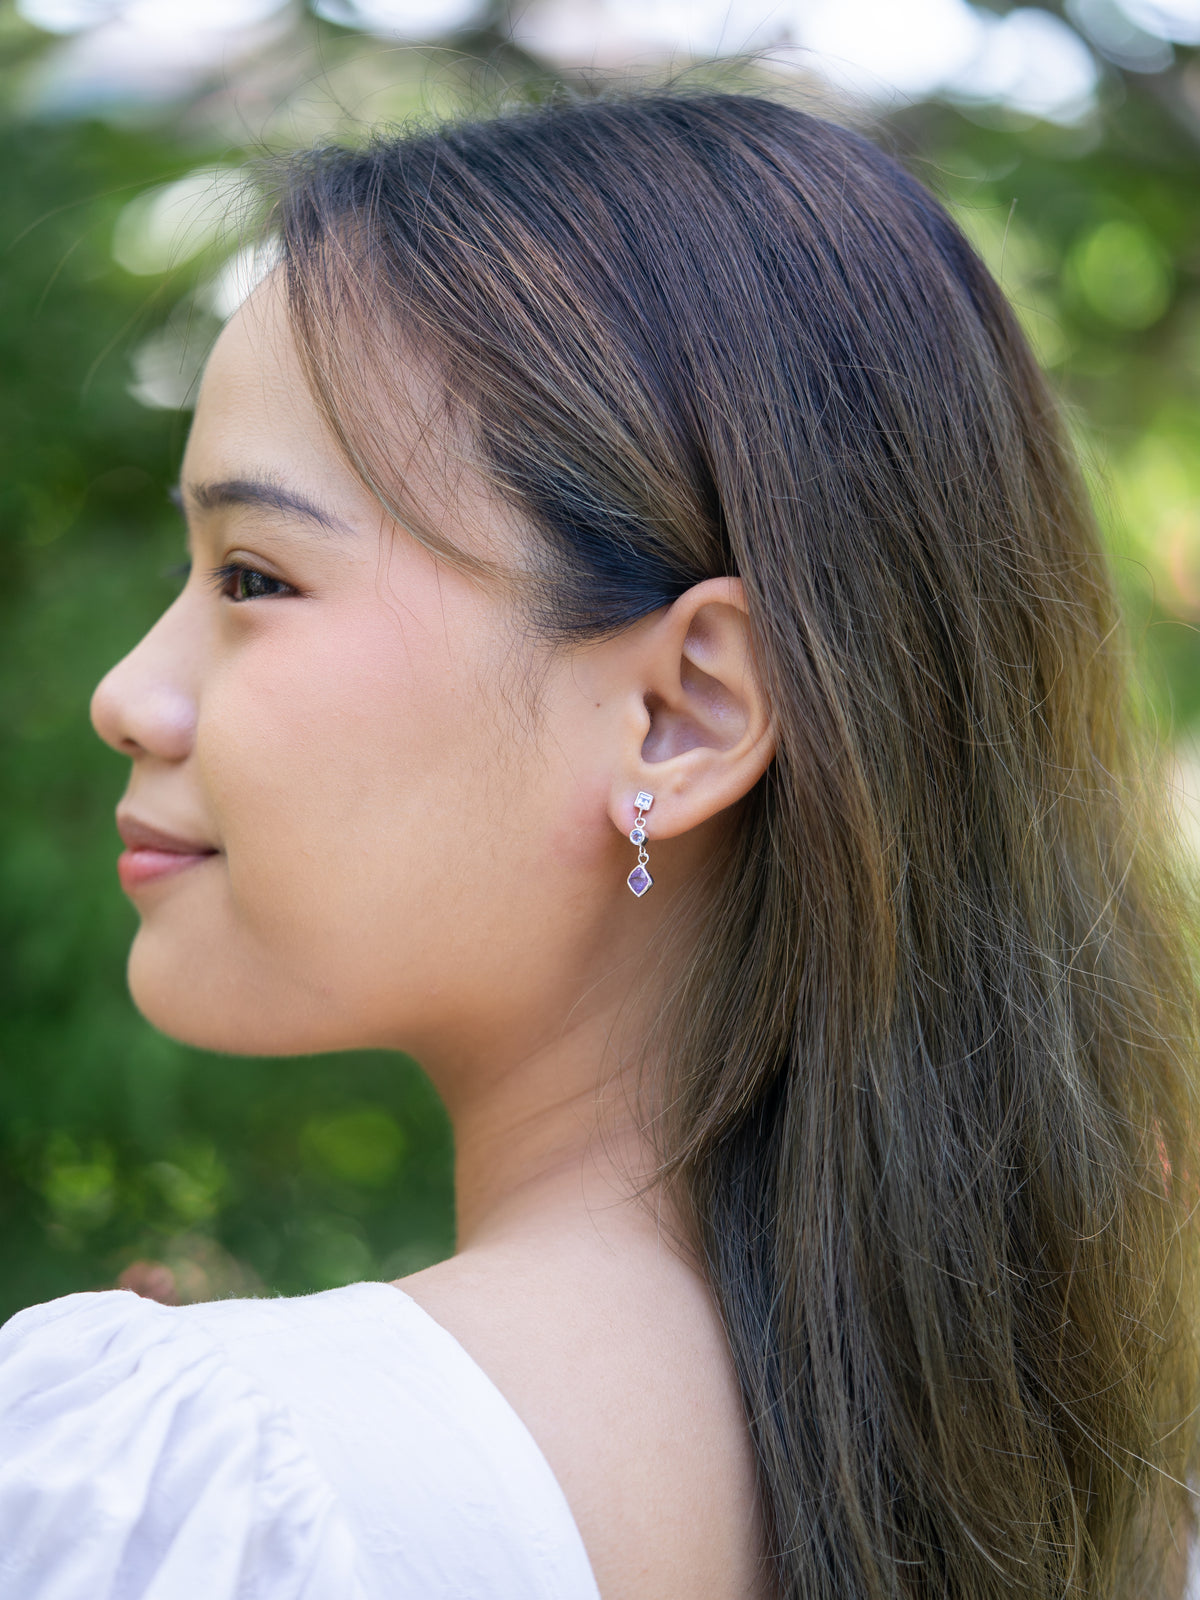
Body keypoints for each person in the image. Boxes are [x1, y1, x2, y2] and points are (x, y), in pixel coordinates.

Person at [0, 90, 1197, 1600]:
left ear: (682, 716)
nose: (129, 695)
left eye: (252, 574)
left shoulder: (214, 1494)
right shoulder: (1116, 1512)